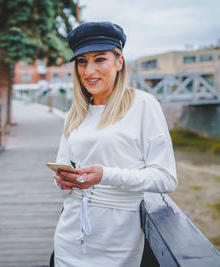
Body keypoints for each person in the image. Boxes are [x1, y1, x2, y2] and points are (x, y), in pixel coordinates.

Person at [52, 21, 178, 267]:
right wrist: (62, 179)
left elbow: (166, 178)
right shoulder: (76, 112)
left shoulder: (143, 105)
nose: (89, 71)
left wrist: (104, 176)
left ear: (119, 62)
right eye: (82, 61)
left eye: (100, 59)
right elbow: (63, 164)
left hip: (118, 239)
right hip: (70, 236)